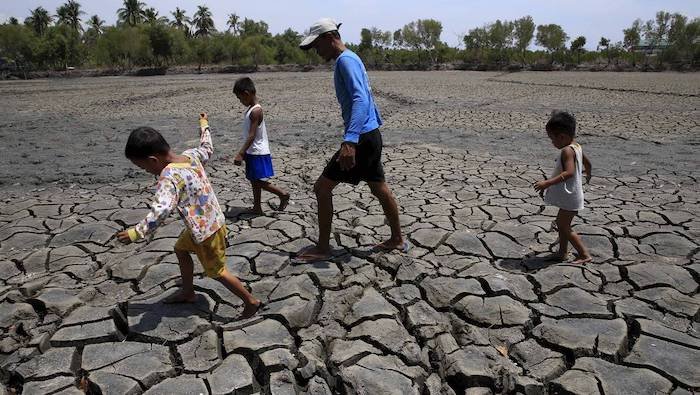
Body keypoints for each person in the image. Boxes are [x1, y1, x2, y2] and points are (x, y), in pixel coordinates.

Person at [116, 114, 262, 318]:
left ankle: (250, 301)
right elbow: (207, 147)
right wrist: (204, 125)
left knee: (217, 271)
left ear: (153, 160)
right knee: (180, 249)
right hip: (210, 223)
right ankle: (188, 291)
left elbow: (162, 209)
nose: (146, 171)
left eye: (144, 167)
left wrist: (136, 232)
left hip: (206, 233)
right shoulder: (191, 155)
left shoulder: (169, 177)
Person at [296, 17, 406, 262]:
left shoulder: (345, 61)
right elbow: (367, 99)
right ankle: (397, 239)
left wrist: (350, 140)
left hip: (362, 138)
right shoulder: (352, 58)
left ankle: (323, 247)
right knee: (379, 187)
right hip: (371, 134)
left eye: (317, 45)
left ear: (329, 37)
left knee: (322, 188)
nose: (316, 51)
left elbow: (360, 99)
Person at [533, 111, 593, 264]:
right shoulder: (576, 146)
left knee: (564, 226)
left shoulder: (567, 150)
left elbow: (569, 172)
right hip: (573, 195)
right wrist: (588, 173)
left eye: (552, 139)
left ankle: (584, 254)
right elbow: (588, 163)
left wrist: (547, 183)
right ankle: (562, 252)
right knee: (562, 224)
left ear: (562, 137)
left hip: (571, 197)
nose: (552, 143)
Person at [232, 77, 290, 215]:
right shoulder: (251, 109)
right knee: (254, 180)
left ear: (247, 94)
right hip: (253, 151)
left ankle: (282, 194)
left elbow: (252, 135)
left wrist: (241, 153)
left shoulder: (255, 111)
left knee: (257, 181)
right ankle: (257, 207)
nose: (240, 102)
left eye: (240, 98)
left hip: (258, 151)